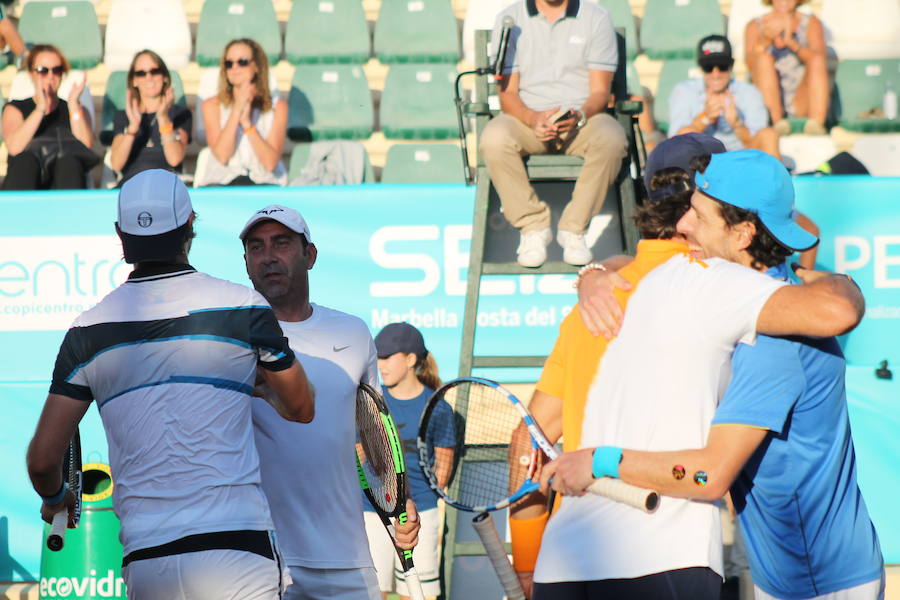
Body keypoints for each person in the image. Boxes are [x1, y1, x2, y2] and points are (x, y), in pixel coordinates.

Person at [513, 147, 865, 599]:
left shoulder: (636, 282)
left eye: (698, 213)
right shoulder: (716, 283)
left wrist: (591, 272)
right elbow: (835, 303)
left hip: (569, 564)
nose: (685, 225)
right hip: (672, 562)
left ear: (742, 233)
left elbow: (527, 439)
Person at [26, 169, 315, 599]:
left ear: (121, 237)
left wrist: (56, 496)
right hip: (238, 548)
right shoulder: (243, 307)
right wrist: (247, 383)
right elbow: (301, 407)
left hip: (148, 560)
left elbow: (42, 461)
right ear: (190, 228)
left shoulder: (86, 330)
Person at [240, 205, 420, 600]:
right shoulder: (230, 339)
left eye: (281, 243)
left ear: (310, 255)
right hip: (262, 560)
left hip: (346, 556)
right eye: (256, 247)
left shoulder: (353, 332)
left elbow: (375, 433)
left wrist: (401, 500)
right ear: (246, 262)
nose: (268, 255)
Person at [479, 0, 628, 268]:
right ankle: (532, 227)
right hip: (526, 120)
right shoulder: (509, 19)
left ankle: (574, 229)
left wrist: (578, 116)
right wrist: (533, 118)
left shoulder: (596, 17)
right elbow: (508, 94)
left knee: (612, 138)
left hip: (581, 120)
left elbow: (600, 92)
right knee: (494, 138)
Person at [365, 322, 453, 600]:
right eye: (378, 358)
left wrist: (415, 504)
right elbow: (361, 453)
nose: (381, 365)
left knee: (417, 595)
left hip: (422, 512)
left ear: (411, 359)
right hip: (372, 509)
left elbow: (444, 465)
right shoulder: (370, 402)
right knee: (373, 592)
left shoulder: (438, 406)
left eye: (388, 357)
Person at [669, 35, 780, 159]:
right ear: (701, 68)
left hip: (741, 159)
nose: (715, 74)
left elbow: (758, 142)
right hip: (700, 161)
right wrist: (705, 118)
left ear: (731, 65)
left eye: (722, 66)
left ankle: (775, 178)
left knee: (769, 135)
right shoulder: (684, 91)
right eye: (708, 67)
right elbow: (675, 143)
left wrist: (736, 123)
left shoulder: (749, 92)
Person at [2, 44, 95, 190]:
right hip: (25, 180)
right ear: (31, 73)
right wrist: (40, 109)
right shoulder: (15, 108)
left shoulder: (75, 108)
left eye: (56, 70)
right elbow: (15, 148)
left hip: (64, 183)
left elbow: (86, 145)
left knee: (69, 162)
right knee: (26, 161)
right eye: (42, 70)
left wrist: (73, 105)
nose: (50, 76)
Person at [200, 38, 287, 186]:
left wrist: (247, 124)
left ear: (257, 66)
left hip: (264, 183)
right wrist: (236, 111)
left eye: (242, 61)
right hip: (222, 183)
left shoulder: (277, 107)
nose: (235, 67)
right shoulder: (211, 105)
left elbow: (270, 163)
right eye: (229, 63)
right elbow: (222, 155)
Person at [745, 0, 829, 136]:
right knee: (763, 59)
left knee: (817, 59)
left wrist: (791, 43)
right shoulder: (755, 25)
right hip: (767, 95)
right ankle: (776, 124)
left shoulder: (811, 23)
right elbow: (750, 64)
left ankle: (816, 124)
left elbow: (819, 60)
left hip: (801, 95)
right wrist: (766, 41)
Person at [109, 49, 192, 183]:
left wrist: (163, 118)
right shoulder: (123, 116)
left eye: (155, 71)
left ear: (164, 77)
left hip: (165, 185)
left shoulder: (180, 114)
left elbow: (175, 159)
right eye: (141, 73)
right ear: (134, 80)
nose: (149, 77)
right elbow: (116, 164)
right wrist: (132, 129)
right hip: (132, 185)